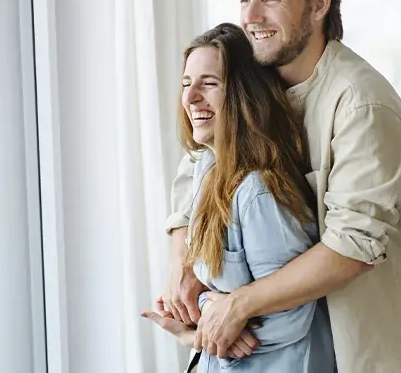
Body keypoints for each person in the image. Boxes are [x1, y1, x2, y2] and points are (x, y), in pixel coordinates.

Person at [158, 0, 401, 371]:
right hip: (294, 350)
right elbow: (200, 166)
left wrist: (237, 306)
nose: (250, 17)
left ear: (318, 4)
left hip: (374, 353)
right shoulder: (261, 85)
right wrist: (182, 265)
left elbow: (352, 245)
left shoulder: (361, 106)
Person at [141, 22, 336, 372]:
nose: (190, 98)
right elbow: (211, 295)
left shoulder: (258, 193)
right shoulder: (207, 172)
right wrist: (210, 309)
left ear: (243, 95)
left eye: (209, 84)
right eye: (186, 84)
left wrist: (208, 324)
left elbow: (291, 317)